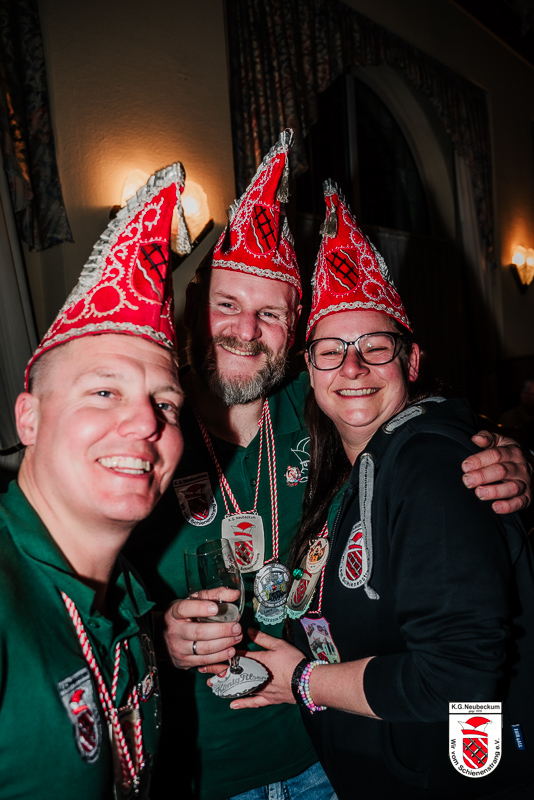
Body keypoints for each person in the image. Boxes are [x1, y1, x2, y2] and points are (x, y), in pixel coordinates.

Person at [128, 135, 532, 800]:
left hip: (337, 751)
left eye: (270, 313)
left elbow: (413, 416)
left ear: (295, 331)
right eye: (227, 305)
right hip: (207, 770)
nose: (246, 330)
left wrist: (510, 455)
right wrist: (156, 635)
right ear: (195, 309)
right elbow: (84, 595)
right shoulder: (140, 429)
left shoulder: (318, 401)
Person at [228, 182, 534, 799]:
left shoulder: (427, 463)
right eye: (331, 351)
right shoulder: (345, 464)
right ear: (309, 368)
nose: (352, 367)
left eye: (375, 347)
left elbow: (457, 679)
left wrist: (304, 682)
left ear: (411, 362)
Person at [0, 164, 190, 798]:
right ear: (29, 418)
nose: (146, 422)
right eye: (104, 391)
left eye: (165, 402)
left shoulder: (132, 597)